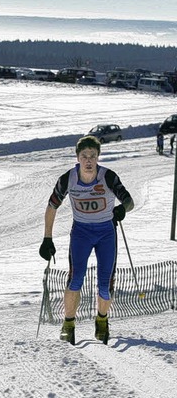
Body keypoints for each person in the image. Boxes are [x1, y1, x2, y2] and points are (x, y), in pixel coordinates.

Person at [39, 135, 134, 346]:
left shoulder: (108, 177)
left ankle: (102, 321)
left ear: (98, 157)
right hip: (81, 233)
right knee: (75, 279)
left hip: (106, 233)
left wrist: (121, 209)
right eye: (85, 156)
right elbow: (51, 206)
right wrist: (47, 238)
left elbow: (129, 201)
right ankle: (69, 324)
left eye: (93, 156)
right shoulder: (68, 179)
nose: (89, 160)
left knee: (105, 283)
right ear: (78, 158)